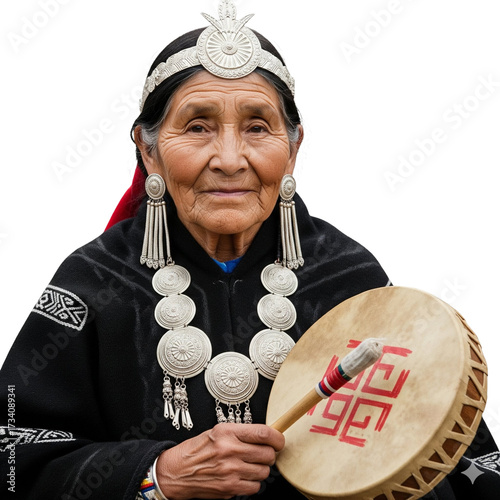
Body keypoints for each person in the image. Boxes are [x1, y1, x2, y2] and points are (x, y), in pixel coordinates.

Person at [0, 1, 498, 499]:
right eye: (198, 127)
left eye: (258, 127)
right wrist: (155, 473)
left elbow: (463, 458)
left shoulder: (349, 276)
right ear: (148, 149)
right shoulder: (96, 280)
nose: (231, 159)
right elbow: (10, 449)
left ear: (294, 146)